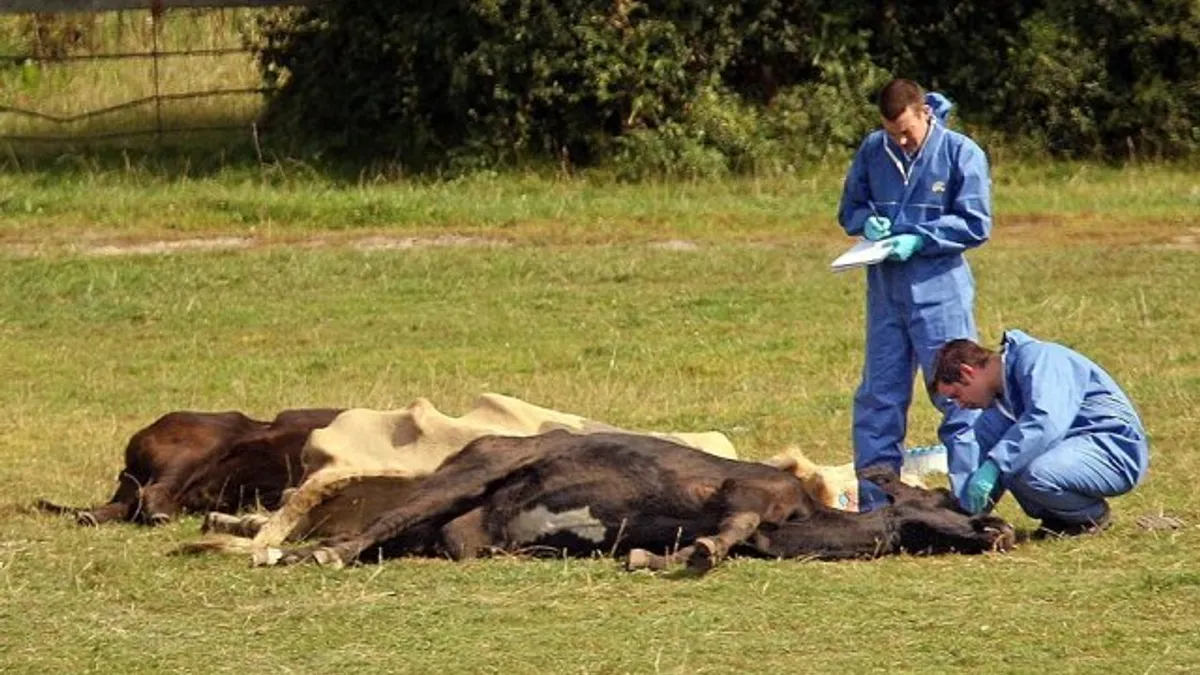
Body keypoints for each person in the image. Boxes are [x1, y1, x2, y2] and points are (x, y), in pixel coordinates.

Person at [836, 78, 992, 486]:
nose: (900, 140)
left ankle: (970, 500)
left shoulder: (961, 153)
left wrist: (921, 239)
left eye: (906, 131)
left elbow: (976, 223)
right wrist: (865, 222)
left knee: (960, 395)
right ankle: (876, 501)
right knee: (878, 398)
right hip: (886, 295)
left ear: (925, 113)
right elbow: (851, 207)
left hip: (941, 295)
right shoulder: (873, 150)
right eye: (892, 133)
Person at [930, 330, 1150, 536]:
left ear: (967, 372)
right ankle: (1061, 520)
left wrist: (996, 464)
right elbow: (982, 471)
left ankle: (1091, 517)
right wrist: (964, 519)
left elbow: (1046, 422)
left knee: (1029, 470)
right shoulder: (996, 409)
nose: (960, 405)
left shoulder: (1041, 360)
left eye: (957, 395)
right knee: (1012, 463)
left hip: (1112, 449)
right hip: (1070, 455)